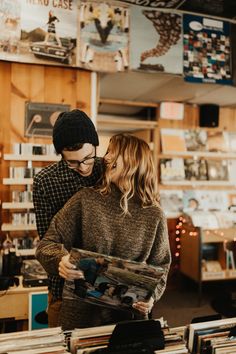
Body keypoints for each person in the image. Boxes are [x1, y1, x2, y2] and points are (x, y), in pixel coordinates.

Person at [36, 133, 171, 330]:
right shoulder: (86, 200)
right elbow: (46, 245)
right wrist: (60, 260)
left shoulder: (154, 214)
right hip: (81, 319)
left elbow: (161, 265)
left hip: (127, 319)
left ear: (135, 160)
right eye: (107, 152)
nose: (106, 158)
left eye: (114, 152)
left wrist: (152, 297)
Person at [33, 109, 103, 327]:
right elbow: (46, 241)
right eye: (73, 162)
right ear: (61, 155)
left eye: (87, 158)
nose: (83, 167)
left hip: (106, 287)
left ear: (95, 146)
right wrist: (59, 260)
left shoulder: (109, 170)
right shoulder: (45, 180)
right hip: (64, 288)